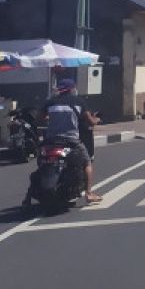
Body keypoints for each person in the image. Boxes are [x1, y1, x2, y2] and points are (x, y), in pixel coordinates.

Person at [42, 71, 101, 204]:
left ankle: (29, 196)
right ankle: (89, 193)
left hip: (51, 140)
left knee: (43, 160)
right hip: (70, 141)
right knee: (87, 161)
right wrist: (97, 120)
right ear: (72, 89)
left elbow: (42, 118)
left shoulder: (50, 102)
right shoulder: (78, 102)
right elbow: (90, 121)